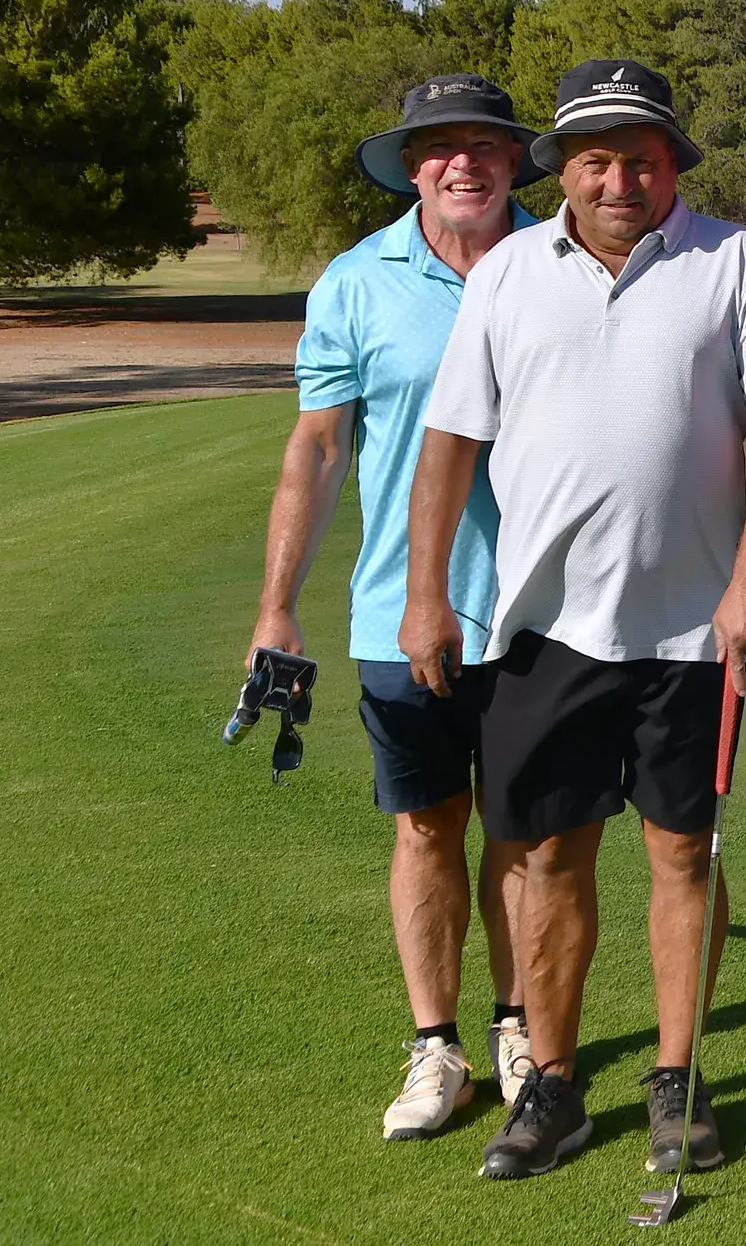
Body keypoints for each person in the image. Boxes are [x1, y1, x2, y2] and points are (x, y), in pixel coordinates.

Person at [402, 60, 746, 1181]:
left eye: (641, 155)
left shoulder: (735, 257)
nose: (620, 176)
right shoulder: (506, 276)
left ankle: (678, 1077)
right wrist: (425, 591)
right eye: (595, 157)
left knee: (683, 854)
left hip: (693, 625)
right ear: (562, 168)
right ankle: (556, 1083)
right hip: (543, 627)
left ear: (673, 158)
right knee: (544, 857)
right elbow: (450, 442)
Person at [247, 74, 544, 1142]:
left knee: (525, 831)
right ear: (411, 164)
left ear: (517, 160)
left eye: (485, 144)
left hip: (543, 612)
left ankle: (520, 1027)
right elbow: (319, 449)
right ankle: (436, 1043)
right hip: (398, 614)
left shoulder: (562, 261)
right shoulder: (355, 279)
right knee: (427, 827)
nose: (463, 162)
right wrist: (277, 605)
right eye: (439, 146)